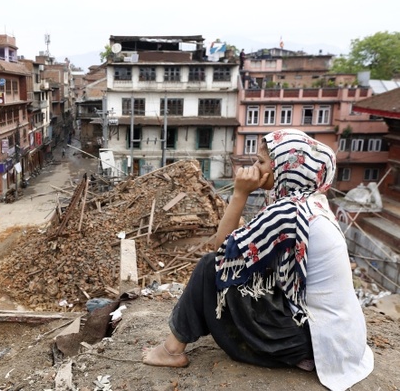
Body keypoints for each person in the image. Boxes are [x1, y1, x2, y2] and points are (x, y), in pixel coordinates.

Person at [143, 129, 373, 391]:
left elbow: (222, 254)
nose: (254, 168)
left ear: (286, 169)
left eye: (262, 162)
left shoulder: (288, 211)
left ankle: (171, 350)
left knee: (209, 266)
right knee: (239, 270)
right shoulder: (312, 202)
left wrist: (239, 193)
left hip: (308, 340)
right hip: (338, 342)